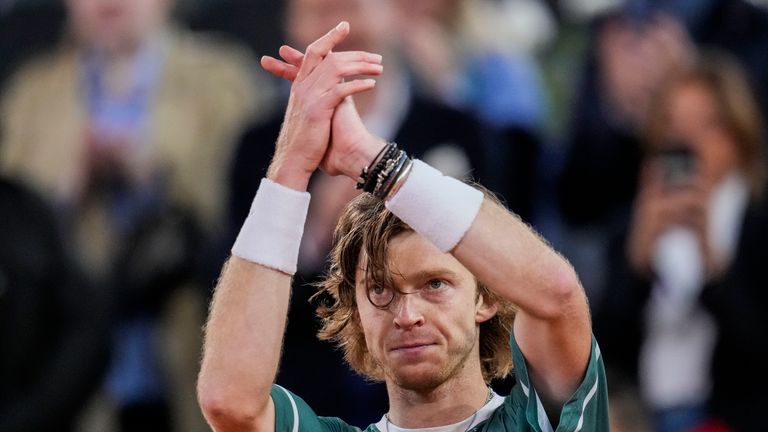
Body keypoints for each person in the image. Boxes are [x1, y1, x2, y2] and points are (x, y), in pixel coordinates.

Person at [198, 22, 608, 431]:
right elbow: (228, 402)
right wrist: (290, 162)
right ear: (355, 313)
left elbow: (555, 295)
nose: (407, 315)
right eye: (379, 290)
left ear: (485, 298)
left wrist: (367, 157)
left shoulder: (539, 421)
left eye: (435, 284)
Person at [595, 51, 768, 431]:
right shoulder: (630, 226)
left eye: (707, 125)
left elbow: (756, 349)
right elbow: (601, 355)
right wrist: (637, 259)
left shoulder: (757, 222)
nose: (688, 141)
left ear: (739, 136)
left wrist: (709, 253)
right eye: (673, 127)